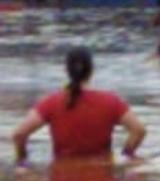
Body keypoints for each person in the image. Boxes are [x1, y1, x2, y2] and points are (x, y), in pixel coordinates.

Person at [12, 48, 147, 164]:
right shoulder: (111, 101)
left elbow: (19, 134)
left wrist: (22, 159)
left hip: (62, 179)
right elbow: (139, 130)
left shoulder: (51, 102)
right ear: (91, 70)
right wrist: (126, 154)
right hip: (102, 180)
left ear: (66, 71)